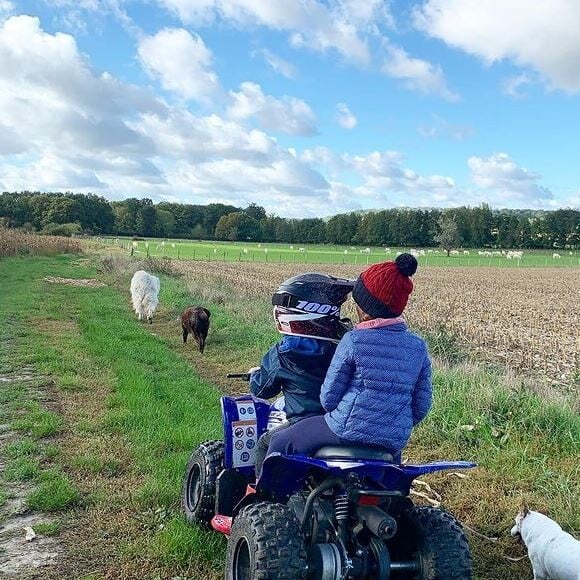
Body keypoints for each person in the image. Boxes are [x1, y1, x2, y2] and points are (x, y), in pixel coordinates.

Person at [267, 253, 432, 463]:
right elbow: (421, 404)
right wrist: (394, 424)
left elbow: (329, 397)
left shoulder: (353, 340)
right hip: (393, 440)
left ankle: (266, 494)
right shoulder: (417, 346)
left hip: (346, 429)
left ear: (363, 307)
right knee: (393, 477)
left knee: (280, 442)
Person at [250, 273, 354, 475]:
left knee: (263, 444)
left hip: (303, 424)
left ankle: (262, 499)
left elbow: (261, 389)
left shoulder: (284, 352)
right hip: (344, 421)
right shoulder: (346, 346)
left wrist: (255, 375)